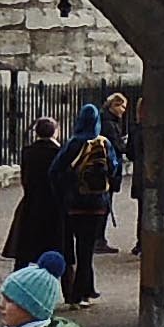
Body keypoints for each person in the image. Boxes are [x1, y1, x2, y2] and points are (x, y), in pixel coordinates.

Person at [59, 105, 119, 306]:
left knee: (70, 247)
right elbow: (114, 168)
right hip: (97, 205)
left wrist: (63, 192)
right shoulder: (104, 143)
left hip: (74, 204)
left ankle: (73, 291)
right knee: (86, 250)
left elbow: (54, 171)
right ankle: (82, 294)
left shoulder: (73, 143)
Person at [0, 114, 69, 267]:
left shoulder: (27, 152)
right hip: (53, 205)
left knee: (24, 249)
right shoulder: (59, 153)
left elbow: (25, 178)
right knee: (56, 247)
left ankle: (18, 281)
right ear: (55, 132)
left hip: (32, 202)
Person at [99, 90, 139, 241]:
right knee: (104, 205)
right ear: (114, 106)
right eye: (122, 107)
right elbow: (116, 145)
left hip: (110, 167)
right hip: (110, 168)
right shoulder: (109, 124)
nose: (124, 111)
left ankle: (100, 238)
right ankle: (99, 238)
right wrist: (127, 145)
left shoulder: (109, 122)